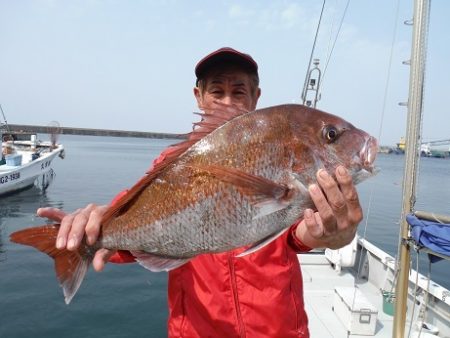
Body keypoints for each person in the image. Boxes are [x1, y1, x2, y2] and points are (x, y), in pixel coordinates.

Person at [38, 47, 363, 337]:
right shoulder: (172, 163)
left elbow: (300, 234)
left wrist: (335, 234)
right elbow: (142, 220)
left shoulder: (282, 154)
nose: (227, 102)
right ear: (198, 96)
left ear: (256, 97)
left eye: (238, 92)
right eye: (216, 92)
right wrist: (95, 228)